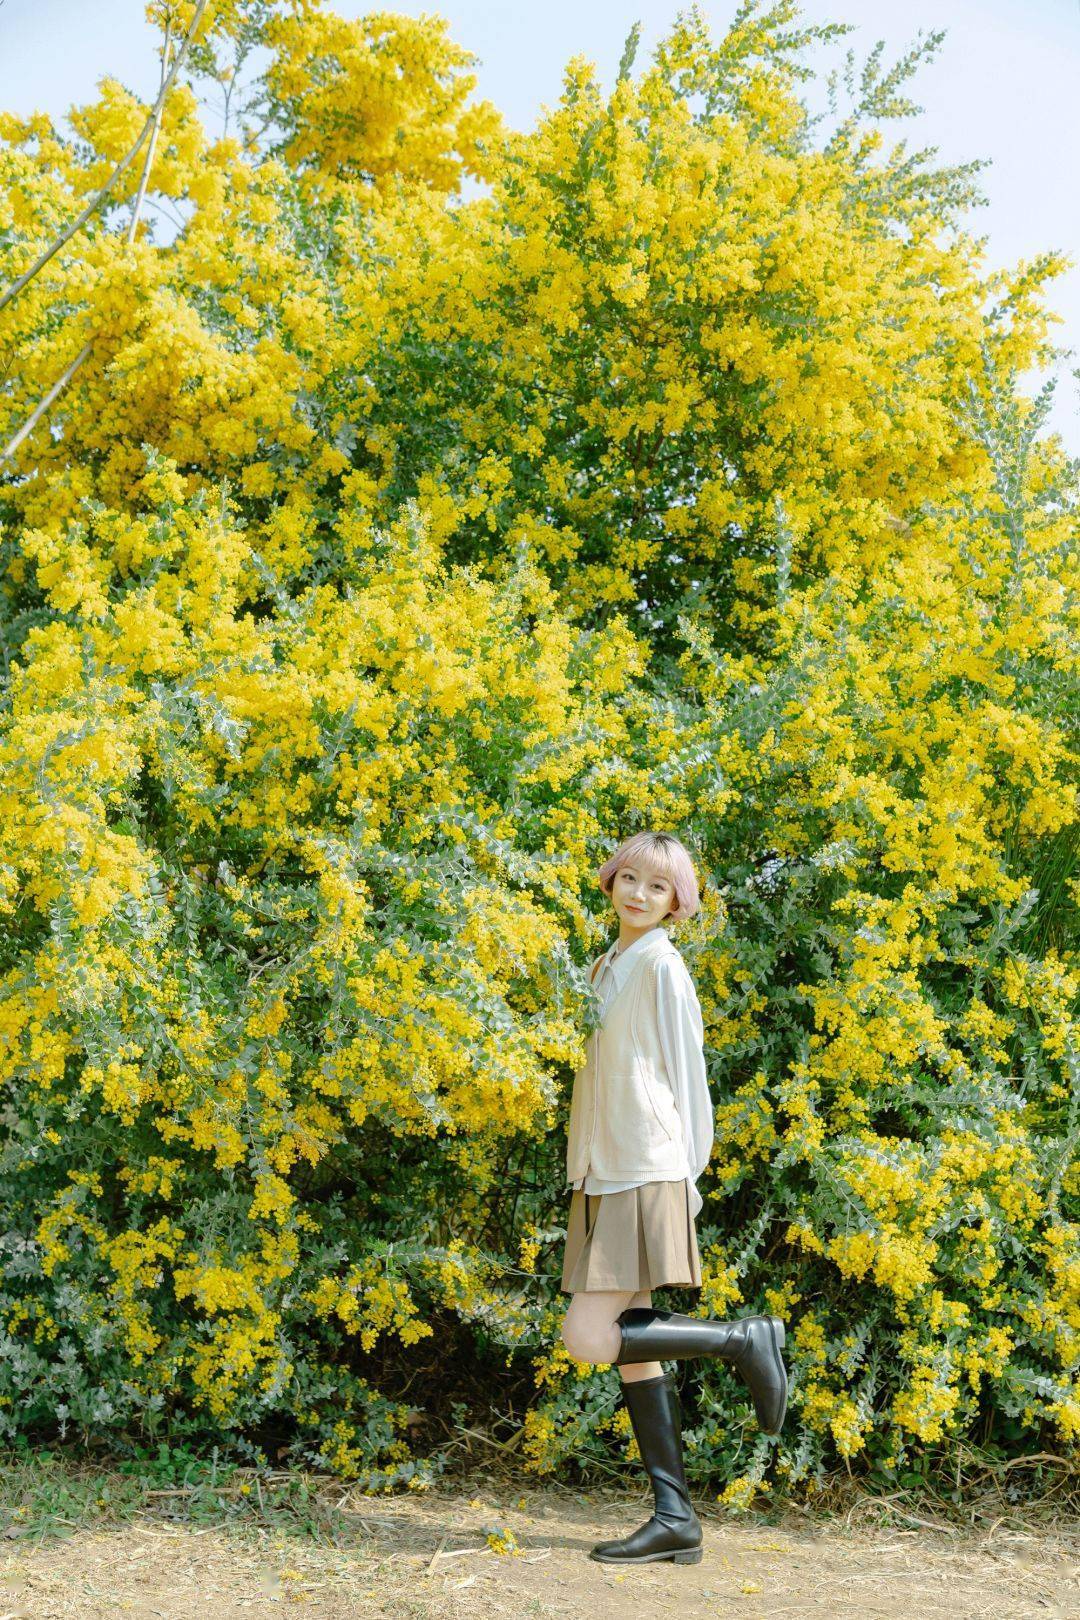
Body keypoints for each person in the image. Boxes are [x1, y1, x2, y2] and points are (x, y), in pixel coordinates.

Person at [559, 829, 788, 1567]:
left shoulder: (662, 968)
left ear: (677, 904)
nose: (638, 894)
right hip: (605, 1170)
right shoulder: (606, 964)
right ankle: (675, 1517)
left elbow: (689, 1077)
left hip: (647, 1168)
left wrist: (687, 1176)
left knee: (587, 1337)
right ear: (612, 881)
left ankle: (742, 1340)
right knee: (631, 1347)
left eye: (658, 887)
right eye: (630, 878)